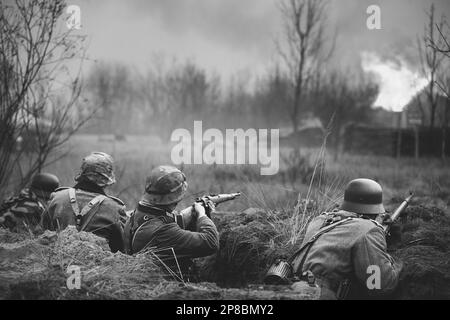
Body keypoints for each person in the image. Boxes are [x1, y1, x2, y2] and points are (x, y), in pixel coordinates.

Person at [290, 178, 403, 300]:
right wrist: (395, 260)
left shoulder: (320, 220)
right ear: (374, 210)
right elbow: (380, 286)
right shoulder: (369, 229)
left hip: (293, 288)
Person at [124, 165, 219, 281]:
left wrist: (191, 213)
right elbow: (210, 242)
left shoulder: (136, 214)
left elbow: (165, 218)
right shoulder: (164, 231)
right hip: (166, 284)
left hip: (141, 277)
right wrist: (202, 215)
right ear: (175, 197)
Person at [43, 152, 126, 253]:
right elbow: (121, 249)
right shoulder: (115, 208)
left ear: (82, 174)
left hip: (54, 260)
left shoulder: (57, 198)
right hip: (97, 265)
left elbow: (42, 234)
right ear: (107, 180)